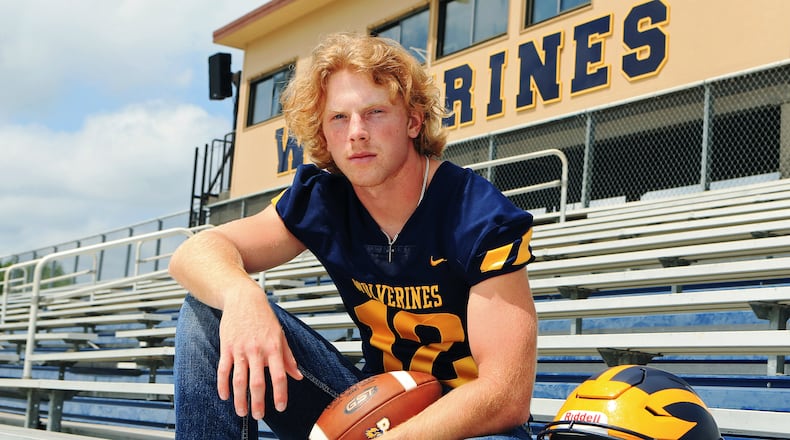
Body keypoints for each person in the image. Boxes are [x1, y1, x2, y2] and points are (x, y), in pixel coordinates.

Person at [169, 32, 538, 439]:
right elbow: (195, 252)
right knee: (210, 310)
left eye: (375, 112)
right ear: (323, 132)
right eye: (339, 118)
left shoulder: (477, 214)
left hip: (472, 426)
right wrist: (243, 298)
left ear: (413, 121)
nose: (356, 132)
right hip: (373, 409)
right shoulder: (324, 198)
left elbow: (505, 395)